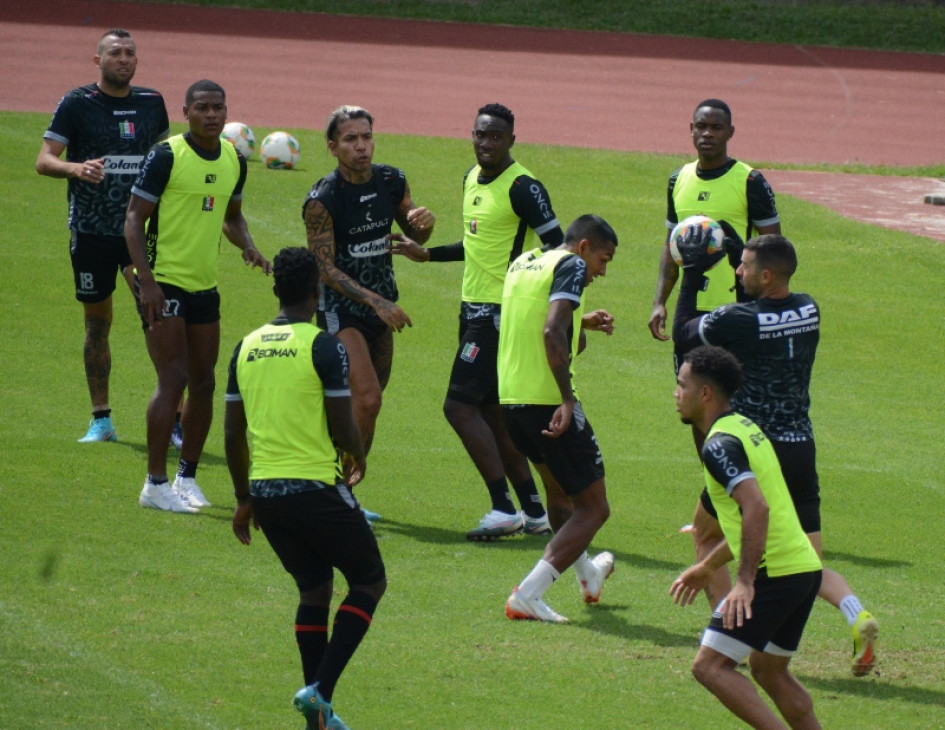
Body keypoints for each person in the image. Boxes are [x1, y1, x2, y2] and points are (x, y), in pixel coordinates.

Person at [674, 233, 879, 677]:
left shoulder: (739, 321)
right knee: (805, 557)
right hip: (801, 446)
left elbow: (684, 333)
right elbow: (764, 302)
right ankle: (856, 614)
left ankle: (729, 630)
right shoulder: (810, 307)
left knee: (707, 536)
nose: (737, 271)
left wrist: (691, 272)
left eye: (744, 266)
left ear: (765, 275)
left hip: (752, 452)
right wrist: (736, 253)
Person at [226, 247, 384, 730]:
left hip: (267, 496)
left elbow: (233, 432)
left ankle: (316, 721)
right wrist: (357, 451)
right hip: (315, 488)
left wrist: (243, 499)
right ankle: (321, 692)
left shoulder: (245, 346)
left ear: (277, 289)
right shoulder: (323, 345)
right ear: (316, 291)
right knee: (369, 580)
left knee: (315, 588)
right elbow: (342, 422)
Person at [391, 103, 562, 541]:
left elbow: (559, 251)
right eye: (480, 135)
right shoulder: (470, 178)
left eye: (496, 137)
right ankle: (533, 512)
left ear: (511, 140)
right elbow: (478, 246)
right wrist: (428, 254)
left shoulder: (523, 186)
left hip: (500, 315)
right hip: (472, 309)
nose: (486, 143)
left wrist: (551, 311)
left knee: (457, 405)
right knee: (490, 412)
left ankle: (503, 507)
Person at [647, 98, 781, 610]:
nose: (706, 134)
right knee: (697, 412)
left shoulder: (749, 180)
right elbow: (671, 245)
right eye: (699, 126)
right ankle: (717, 500)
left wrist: (731, 252)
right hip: (688, 315)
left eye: (715, 127)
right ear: (690, 130)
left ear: (730, 131)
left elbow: (773, 249)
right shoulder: (677, 180)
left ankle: (740, 504)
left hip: (736, 316)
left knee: (737, 413)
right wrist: (660, 298)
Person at [124, 79, 271, 514]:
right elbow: (133, 220)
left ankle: (186, 478)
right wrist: (146, 282)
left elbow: (232, 216)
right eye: (203, 108)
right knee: (173, 378)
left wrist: (247, 244)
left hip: (204, 285)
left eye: (219, 108)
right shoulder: (167, 155)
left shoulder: (233, 159)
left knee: (205, 382)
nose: (212, 115)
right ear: (185, 111)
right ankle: (154, 483)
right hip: (163, 281)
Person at [670, 345, 824, 730]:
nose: (676, 393)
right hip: (802, 567)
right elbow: (749, 523)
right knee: (769, 670)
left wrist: (743, 582)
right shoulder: (746, 427)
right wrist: (707, 567)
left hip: (777, 575)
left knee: (709, 667)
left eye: (681, 385)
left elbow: (757, 508)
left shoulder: (719, 446)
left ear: (705, 393)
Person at [36, 28, 170, 443]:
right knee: (97, 325)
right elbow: (44, 160)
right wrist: (76, 169)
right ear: (98, 60)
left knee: (160, 319)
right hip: (91, 232)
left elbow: (168, 161)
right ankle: (101, 419)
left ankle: (176, 418)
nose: (124, 59)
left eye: (130, 53)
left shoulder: (152, 103)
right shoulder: (77, 104)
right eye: (115, 53)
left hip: (141, 235)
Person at [302, 105, 435, 521]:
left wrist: (423, 225)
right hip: (341, 309)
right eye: (350, 139)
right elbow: (324, 268)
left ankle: (342, 491)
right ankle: (336, 493)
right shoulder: (322, 200)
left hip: (383, 306)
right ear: (332, 146)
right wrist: (375, 301)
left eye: (366, 137)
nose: (361, 146)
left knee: (368, 406)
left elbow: (413, 232)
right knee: (368, 396)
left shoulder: (391, 181)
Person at [499, 214, 617, 623]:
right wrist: (566, 399)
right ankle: (528, 593)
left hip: (511, 400)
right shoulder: (569, 266)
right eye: (603, 259)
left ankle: (588, 573)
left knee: (560, 495)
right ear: (583, 247)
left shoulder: (525, 262)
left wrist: (579, 319)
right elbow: (551, 331)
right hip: (547, 400)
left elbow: (531, 320)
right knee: (594, 509)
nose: (601, 271)